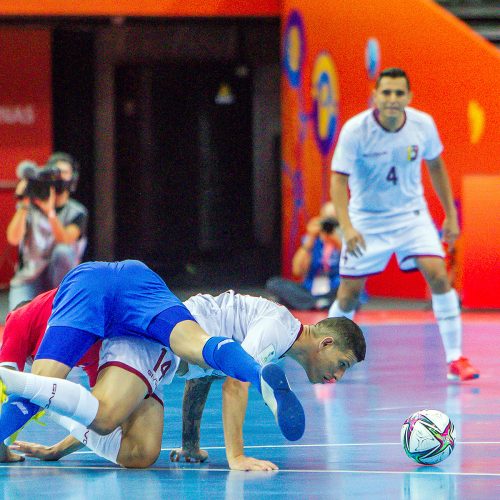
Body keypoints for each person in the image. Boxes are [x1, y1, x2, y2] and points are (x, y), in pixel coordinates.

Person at [4, 290, 366, 470]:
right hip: (157, 340)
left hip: (170, 357)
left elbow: (203, 377)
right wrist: (236, 457)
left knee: (136, 451)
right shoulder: (276, 327)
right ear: (326, 342)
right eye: (343, 364)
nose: (337, 376)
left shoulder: (278, 335)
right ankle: (25, 386)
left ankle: (46, 403)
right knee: (108, 417)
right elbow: (235, 382)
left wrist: (190, 444)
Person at [0, 259, 306, 450]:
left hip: (89, 286)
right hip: (140, 280)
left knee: (34, 388)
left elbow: (16, 403)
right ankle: (257, 373)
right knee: (198, 344)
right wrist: (60, 447)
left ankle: (8, 378)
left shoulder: (18, 321)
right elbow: (92, 410)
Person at [328, 67, 478, 381]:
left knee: (438, 276)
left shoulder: (423, 125)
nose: (392, 99)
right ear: (375, 95)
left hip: (412, 216)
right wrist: (348, 226)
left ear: (408, 97)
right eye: (386, 92)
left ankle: (456, 358)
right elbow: (338, 181)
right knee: (347, 296)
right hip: (366, 220)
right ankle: (327, 360)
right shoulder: (355, 131)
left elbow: (436, 166)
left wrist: (450, 215)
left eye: (399, 93)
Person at [0, 289, 101, 463]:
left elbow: (4, 386)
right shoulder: (93, 349)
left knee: (35, 389)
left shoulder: (19, 317)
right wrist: (57, 451)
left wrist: (2, 448)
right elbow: (102, 418)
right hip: (101, 311)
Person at [7, 152, 88, 311]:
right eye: (55, 172)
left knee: (63, 251)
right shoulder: (30, 208)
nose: (58, 178)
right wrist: (24, 203)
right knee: (18, 317)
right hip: (31, 277)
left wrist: (50, 211)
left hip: (61, 281)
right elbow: (13, 238)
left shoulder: (78, 212)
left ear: (73, 178)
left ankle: (62, 305)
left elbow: (64, 239)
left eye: (63, 173)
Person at [266, 202, 341, 310]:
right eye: (327, 221)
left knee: (352, 291)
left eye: (334, 221)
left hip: (335, 288)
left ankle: (306, 303)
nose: (330, 226)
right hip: (310, 289)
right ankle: (319, 303)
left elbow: (354, 267)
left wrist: (336, 241)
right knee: (273, 284)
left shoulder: (346, 239)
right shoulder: (311, 239)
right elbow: (297, 271)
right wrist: (310, 239)